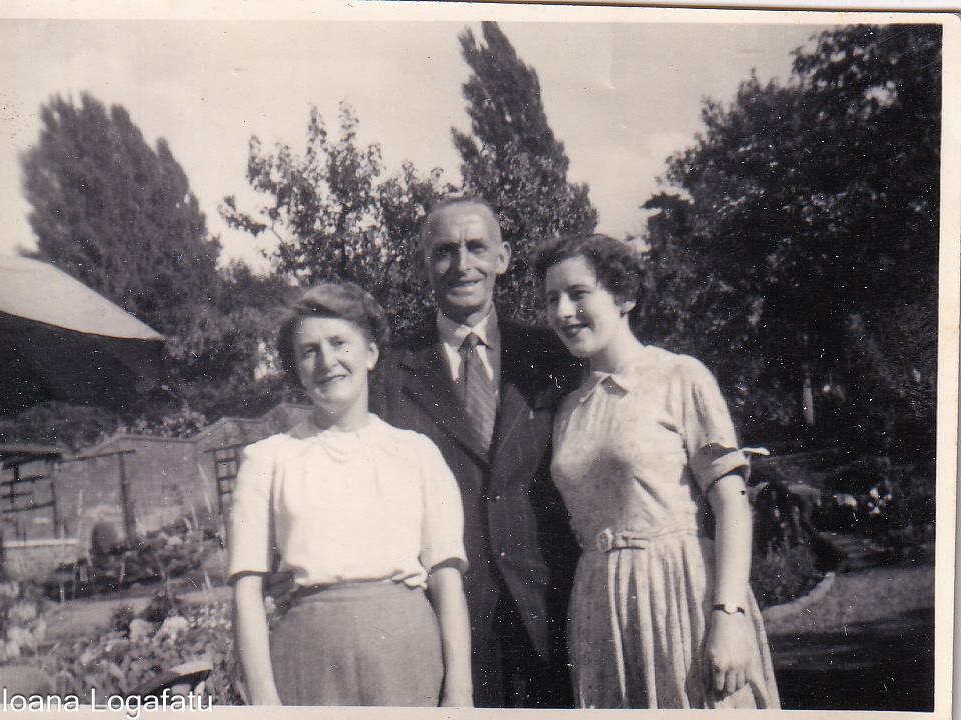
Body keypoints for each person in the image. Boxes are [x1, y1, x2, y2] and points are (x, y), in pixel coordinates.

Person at [533, 233, 780, 709]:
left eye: (579, 293)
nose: (563, 312)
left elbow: (731, 502)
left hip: (680, 594)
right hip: (599, 608)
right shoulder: (567, 409)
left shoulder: (680, 377)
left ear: (623, 295)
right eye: (552, 300)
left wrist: (729, 614)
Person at [370, 197, 581, 708]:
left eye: (476, 247)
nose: (462, 265)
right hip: (451, 626)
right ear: (425, 266)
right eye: (444, 252)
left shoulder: (554, 357)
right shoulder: (390, 375)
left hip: (554, 612)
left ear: (503, 258)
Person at [227, 283, 472, 707]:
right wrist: (265, 703)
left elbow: (447, 581)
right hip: (307, 659)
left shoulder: (416, 453)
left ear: (371, 354)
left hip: (407, 654)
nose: (327, 361)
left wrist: (460, 692)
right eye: (309, 351)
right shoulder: (265, 460)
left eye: (340, 343)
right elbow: (246, 591)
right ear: (296, 369)